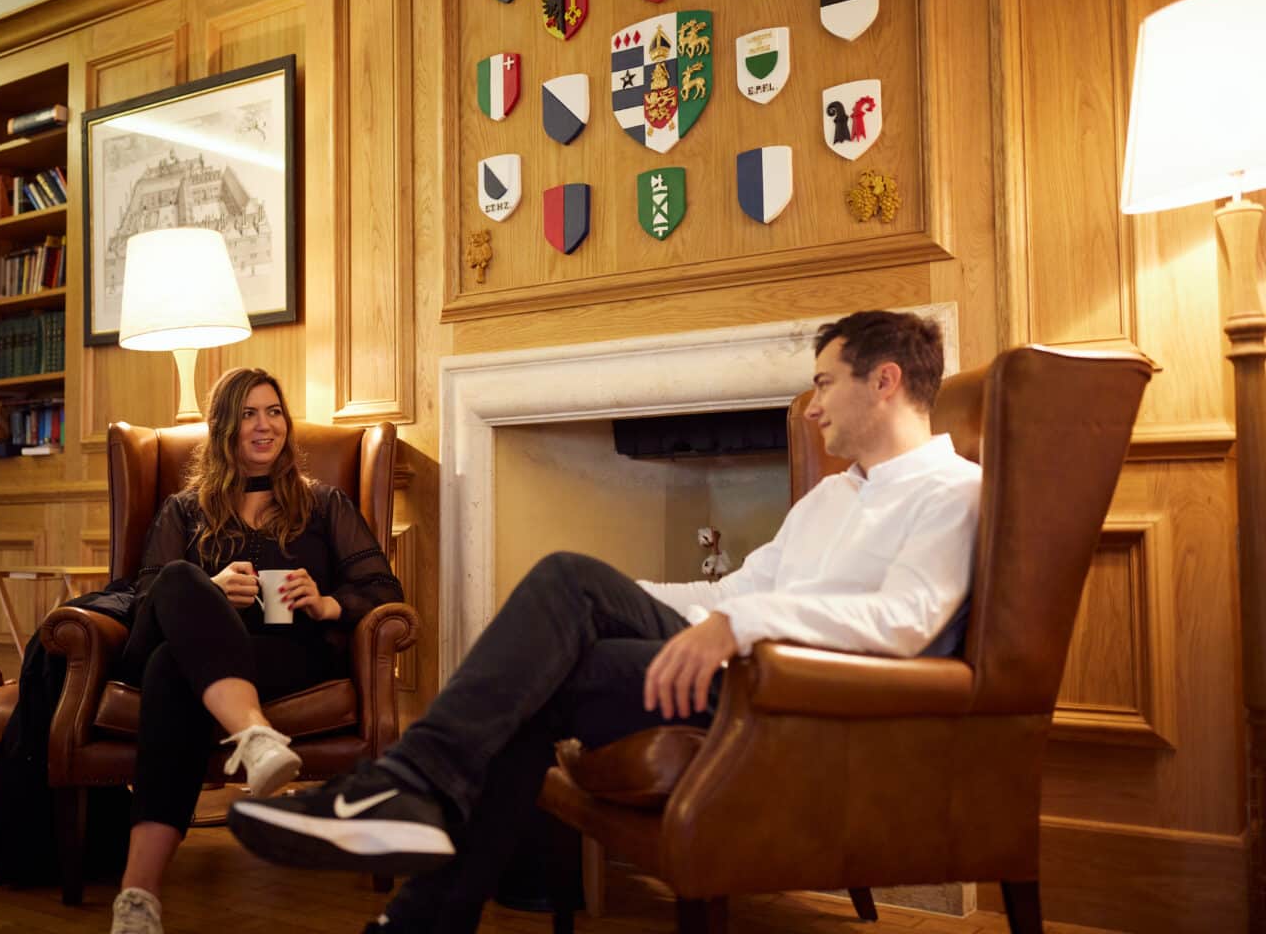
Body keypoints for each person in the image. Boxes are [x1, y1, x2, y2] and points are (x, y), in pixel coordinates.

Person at [227, 310, 982, 933]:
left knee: (563, 586)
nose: (811, 406)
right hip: (735, 672)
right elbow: (743, 588)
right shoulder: (829, 498)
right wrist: (626, 597)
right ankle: (426, 911)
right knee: (544, 658)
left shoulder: (954, 491)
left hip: (797, 700)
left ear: (884, 382)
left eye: (824, 383)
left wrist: (746, 624)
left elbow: (907, 621)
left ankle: (404, 796)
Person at [109, 367, 404, 934]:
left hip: (284, 656)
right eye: (248, 414)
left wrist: (324, 604)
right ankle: (257, 737)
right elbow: (145, 595)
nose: (264, 426)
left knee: (171, 671)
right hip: (192, 645)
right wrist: (210, 590)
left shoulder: (323, 505)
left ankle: (137, 897)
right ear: (224, 427)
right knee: (177, 581)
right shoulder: (184, 509)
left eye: (274, 412)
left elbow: (384, 592)